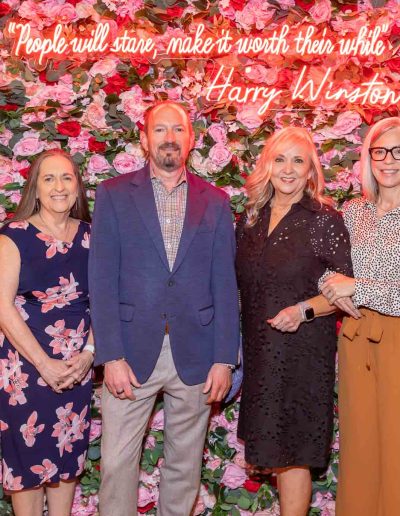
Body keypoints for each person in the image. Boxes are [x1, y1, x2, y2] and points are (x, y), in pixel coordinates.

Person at [89, 100, 240, 516]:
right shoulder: (114, 195)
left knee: (184, 467)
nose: (169, 138)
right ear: (144, 138)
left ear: (191, 140)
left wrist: (225, 358)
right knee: (117, 464)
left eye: (178, 130)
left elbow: (225, 284)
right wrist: (111, 355)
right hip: (130, 354)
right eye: (160, 129)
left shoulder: (215, 201)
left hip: (196, 354)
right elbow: (101, 281)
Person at [236, 127, 356, 516]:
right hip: (259, 352)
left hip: (303, 352)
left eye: (298, 161)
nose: (288, 169)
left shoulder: (325, 220)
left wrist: (303, 310)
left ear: (310, 172)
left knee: (294, 452)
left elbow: (345, 290)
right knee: (272, 450)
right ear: (267, 165)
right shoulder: (250, 220)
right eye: (280, 159)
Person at [0, 149, 94, 516]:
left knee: (67, 457)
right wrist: (44, 364)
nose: (59, 186)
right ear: (35, 189)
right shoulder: (13, 236)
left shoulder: (92, 235)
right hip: (25, 370)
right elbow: (3, 307)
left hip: (76, 368)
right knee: (26, 466)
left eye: (67, 178)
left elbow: (107, 299)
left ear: (77, 187)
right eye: (49, 178)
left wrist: (89, 353)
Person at [320, 117, 400, 516]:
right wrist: (331, 283)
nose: (389, 160)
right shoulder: (354, 212)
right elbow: (328, 266)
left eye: (398, 151)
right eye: (380, 151)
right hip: (355, 339)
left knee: (396, 449)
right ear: (369, 157)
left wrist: (358, 287)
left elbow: (356, 283)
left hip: (397, 342)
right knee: (360, 447)